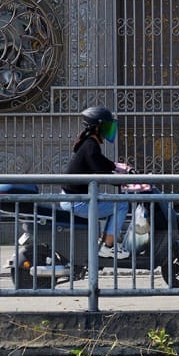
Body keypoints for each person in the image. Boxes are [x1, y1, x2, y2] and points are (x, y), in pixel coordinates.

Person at [64, 106, 130, 259]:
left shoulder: (88, 144)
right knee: (121, 204)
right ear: (97, 127)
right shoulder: (91, 146)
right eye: (106, 126)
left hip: (74, 198)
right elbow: (101, 172)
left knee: (110, 199)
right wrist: (123, 182)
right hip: (77, 202)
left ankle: (106, 241)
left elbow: (102, 162)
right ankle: (108, 246)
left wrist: (118, 167)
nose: (109, 130)